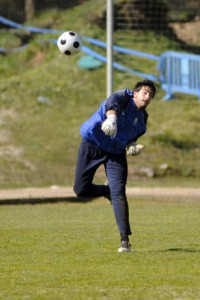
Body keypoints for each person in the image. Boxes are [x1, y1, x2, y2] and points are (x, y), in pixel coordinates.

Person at [73, 79, 156, 253]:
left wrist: (131, 145)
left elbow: (132, 135)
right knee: (81, 190)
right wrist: (111, 118)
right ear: (136, 93)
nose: (147, 97)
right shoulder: (122, 97)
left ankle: (125, 240)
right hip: (93, 143)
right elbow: (112, 104)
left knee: (119, 193)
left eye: (151, 95)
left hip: (115, 153)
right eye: (145, 92)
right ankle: (105, 191)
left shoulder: (142, 120)